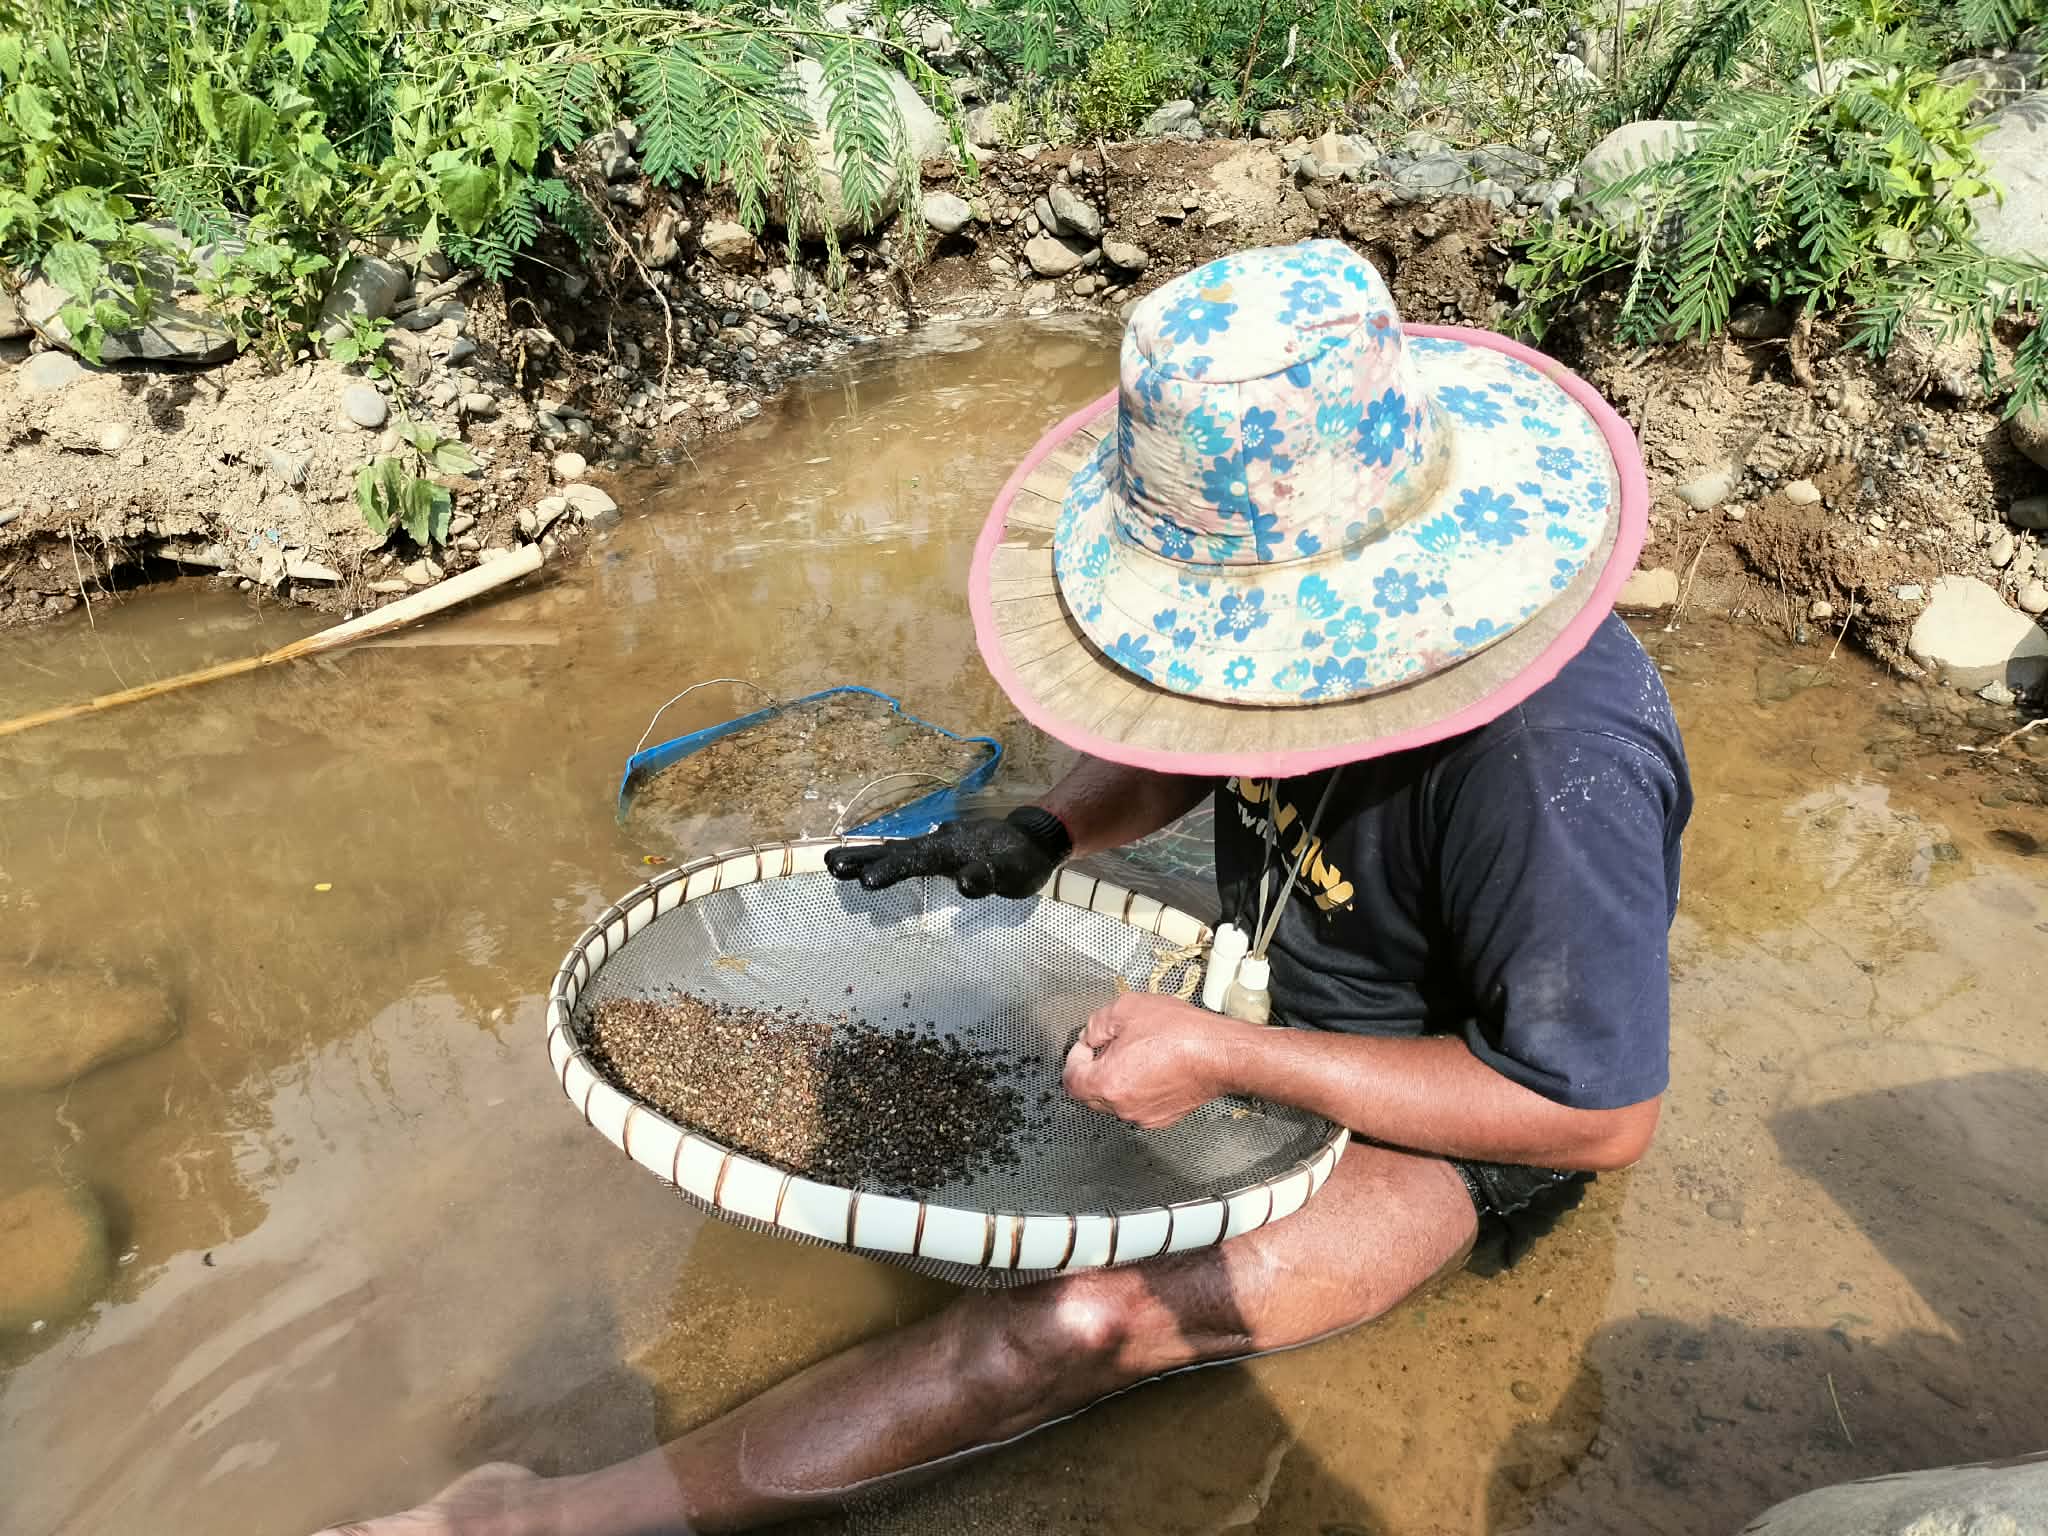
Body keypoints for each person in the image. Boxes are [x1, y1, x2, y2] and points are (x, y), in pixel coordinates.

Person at [319, 240, 1690, 1536]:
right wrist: (1048, 828)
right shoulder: (1291, 663)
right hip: (1278, 974)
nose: (1232, 687)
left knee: (1067, 1327)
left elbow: (1592, 1112)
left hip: (1451, 1126)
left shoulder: (1552, 769)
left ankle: (551, 1518)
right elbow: (1202, 731)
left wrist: (1229, 1054)